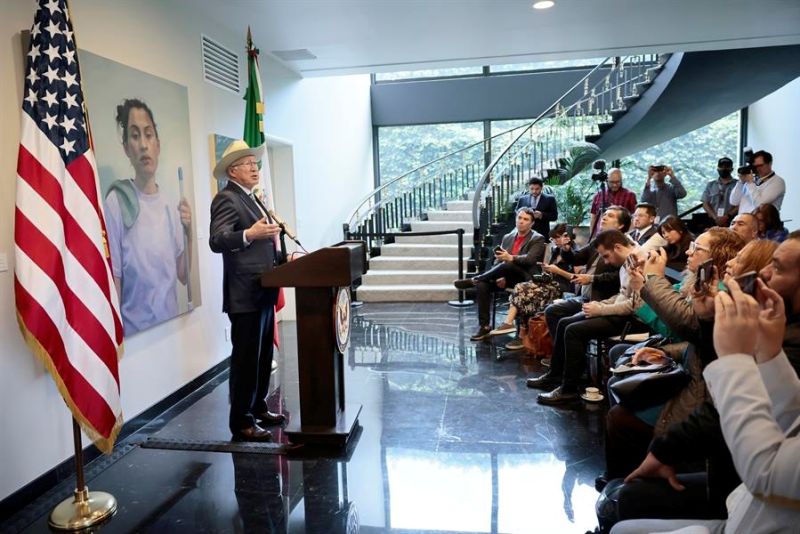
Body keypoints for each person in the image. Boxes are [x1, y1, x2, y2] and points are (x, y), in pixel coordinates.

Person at [611, 277, 800, 534]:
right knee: (623, 529)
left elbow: (765, 473)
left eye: (776, 266)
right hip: (744, 509)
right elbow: (787, 411)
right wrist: (768, 350)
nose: (764, 271)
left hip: (747, 503)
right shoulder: (779, 333)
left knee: (621, 422)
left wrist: (734, 358)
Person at [209, 140, 287, 442]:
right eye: (249, 165)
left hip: (264, 289)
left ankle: (257, 407)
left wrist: (283, 259)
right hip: (245, 294)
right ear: (233, 170)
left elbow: (265, 241)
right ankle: (241, 421)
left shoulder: (253, 198)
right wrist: (249, 233)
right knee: (245, 360)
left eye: (256, 164)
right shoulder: (226, 198)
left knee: (262, 355)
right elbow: (217, 240)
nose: (255, 169)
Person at [104, 98, 192, 336]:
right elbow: (115, 278)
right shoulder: (117, 202)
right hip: (135, 333)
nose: (143, 144)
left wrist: (189, 233)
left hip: (171, 326)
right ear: (125, 148)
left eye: (148, 134)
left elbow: (183, 276)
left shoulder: (170, 205)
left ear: (158, 144)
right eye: (134, 136)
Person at [532, 230, 644, 405]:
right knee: (564, 322)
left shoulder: (639, 261)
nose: (606, 262)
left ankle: (569, 390)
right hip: (618, 311)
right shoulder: (627, 260)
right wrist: (601, 305)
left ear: (618, 247)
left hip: (632, 321)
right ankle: (556, 375)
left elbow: (635, 306)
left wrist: (600, 309)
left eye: (606, 256)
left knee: (573, 330)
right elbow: (622, 296)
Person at [454, 207, 546, 341]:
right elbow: (497, 260)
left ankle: (474, 279)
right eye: (519, 218)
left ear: (531, 223)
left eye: (525, 219)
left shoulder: (537, 238)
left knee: (507, 263)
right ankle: (484, 327)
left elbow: (530, 259)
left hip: (526, 278)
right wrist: (500, 275)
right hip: (506, 276)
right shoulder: (508, 237)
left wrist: (511, 258)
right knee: (483, 285)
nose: (521, 221)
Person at [489, 223, 574, 336]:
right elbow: (550, 272)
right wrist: (547, 269)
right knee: (520, 287)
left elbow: (576, 278)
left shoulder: (574, 253)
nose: (556, 241)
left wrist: (558, 271)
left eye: (558, 237)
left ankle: (521, 333)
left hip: (562, 287)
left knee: (525, 293)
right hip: (549, 283)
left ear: (567, 237)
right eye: (554, 238)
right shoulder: (557, 251)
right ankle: (511, 325)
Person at [729, 149, 786, 214]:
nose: (757, 169)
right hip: (744, 221)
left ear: (770, 163)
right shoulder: (751, 179)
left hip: (763, 223)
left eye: (760, 165)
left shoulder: (778, 181)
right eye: (755, 166)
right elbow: (734, 201)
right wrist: (741, 182)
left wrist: (750, 183)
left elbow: (760, 204)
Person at [589, 168, 637, 238]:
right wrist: (592, 237)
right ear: (607, 180)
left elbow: (634, 218)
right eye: (612, 182)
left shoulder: (630, 195)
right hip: (600, 236)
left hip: (620, 236)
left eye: (617, 182)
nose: (615, 185)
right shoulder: (598, 195)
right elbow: (593, 217)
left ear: (621, 180)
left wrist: (628, 236)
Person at [701, 157, 738, 227]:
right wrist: (715, 218)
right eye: (721, 167)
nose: (724, 169)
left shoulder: (738, 184)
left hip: (732, 220)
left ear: (732, 169)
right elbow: (705, 203)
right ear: (718, 168)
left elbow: (739, 204)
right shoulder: (711, 185)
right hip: (713, 220)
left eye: (727, 167)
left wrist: (727, 216)